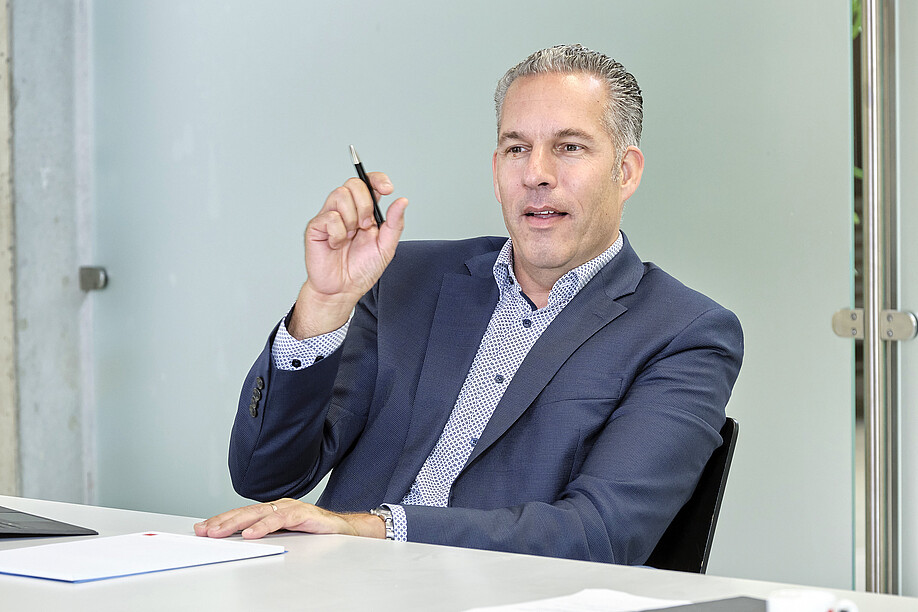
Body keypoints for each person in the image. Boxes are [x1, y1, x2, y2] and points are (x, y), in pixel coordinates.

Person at [194, 44, 743, 565]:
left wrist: (376, 529)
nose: (537, 174)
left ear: (626, 172)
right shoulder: (405, 277)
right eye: (517, 149)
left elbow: (601, 534)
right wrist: (323, 307)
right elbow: (265, 477)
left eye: (570, 147)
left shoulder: (685, 332)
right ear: (497, 169)